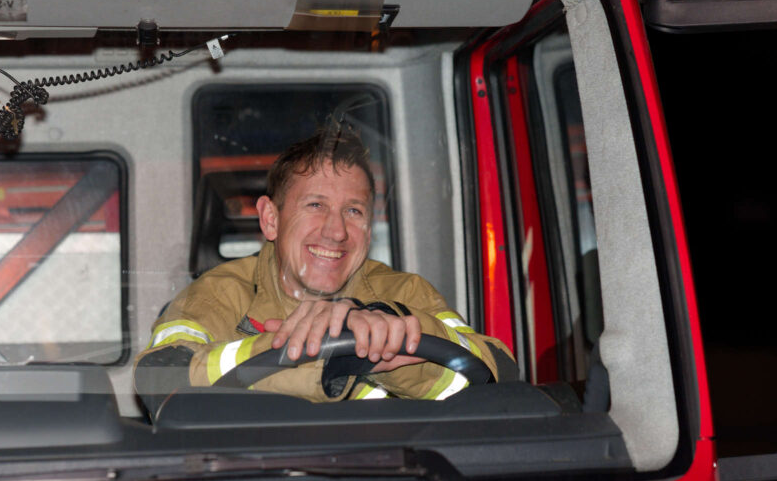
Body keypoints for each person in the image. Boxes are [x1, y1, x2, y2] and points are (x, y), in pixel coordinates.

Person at [134, 124, 516, 413]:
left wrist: (392, 335)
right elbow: (159, 376)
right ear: (271, 219)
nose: (336, 231)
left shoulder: (405, 293)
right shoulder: (217, 292)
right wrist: (322, 350)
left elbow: (501, 371)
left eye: (354, 211)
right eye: (315, 205)